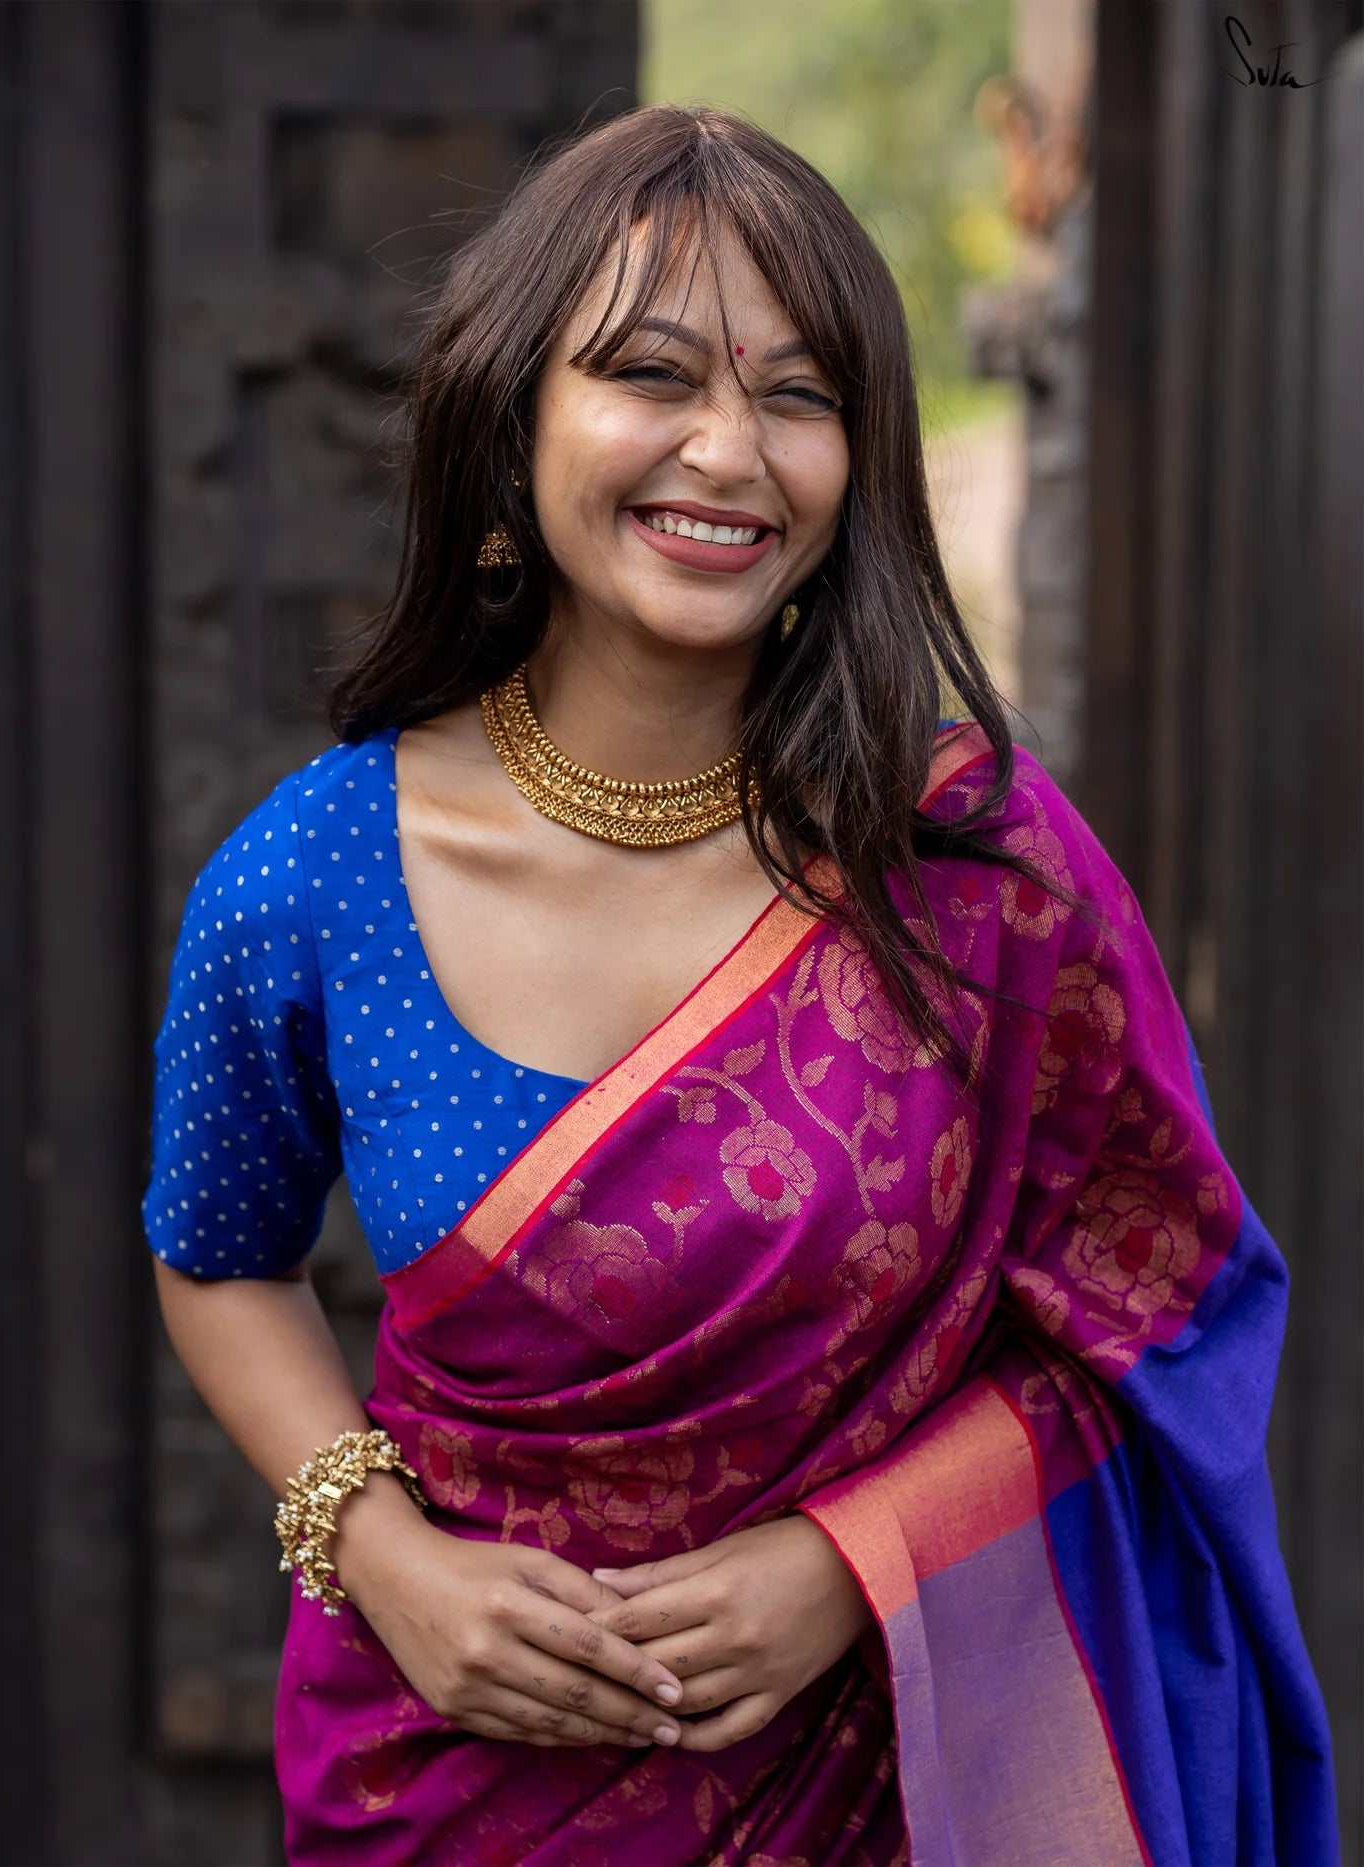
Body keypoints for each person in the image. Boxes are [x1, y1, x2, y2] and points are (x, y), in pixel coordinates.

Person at [145, 106, 1336, 1865]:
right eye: (649, 373)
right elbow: (216, 1256)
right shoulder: (315, 874)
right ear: (511, 414)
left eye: (799, 394)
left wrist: (854, 1567)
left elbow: (1159, 1318)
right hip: (451, 1776)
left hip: (884, 1775)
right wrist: (382, 1557)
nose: (728, 450)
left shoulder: (975, 866)